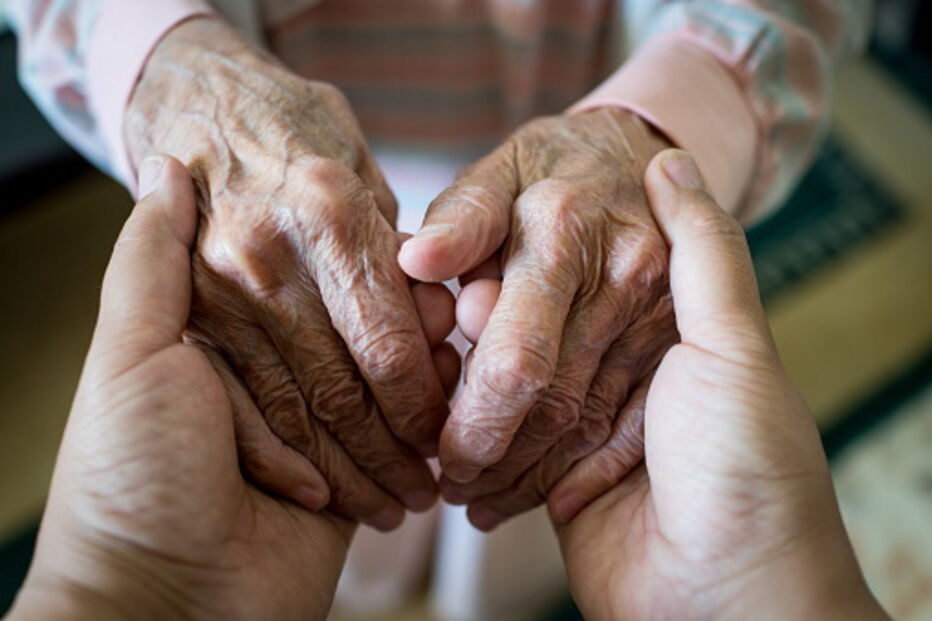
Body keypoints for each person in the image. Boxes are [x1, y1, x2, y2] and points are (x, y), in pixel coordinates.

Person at [9, 1, 874, 532]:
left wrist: (656, 125)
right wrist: (171, 64)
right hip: (265, 196)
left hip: (602, 162)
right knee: (309, 450)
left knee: (560, 432)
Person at [6, 151, 888, 619]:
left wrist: (134, 587)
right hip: (285, 233)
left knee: (536, 428)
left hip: (584, 211)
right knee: (346, 445)